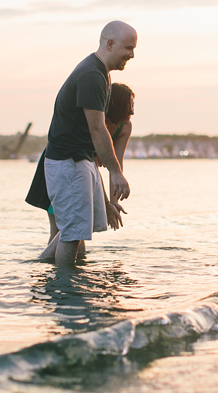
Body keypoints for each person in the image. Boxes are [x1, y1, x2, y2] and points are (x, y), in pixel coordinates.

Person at [40, 21, 136, 266]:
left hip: (79, 160)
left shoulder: (101, 74)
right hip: (68, 162)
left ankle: (44, 273)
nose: (132, 55)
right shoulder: (92, 75)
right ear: (110, 43)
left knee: (78, 232)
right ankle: (66, 295)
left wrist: (108, 198)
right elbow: (97, 129)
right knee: (73, 234)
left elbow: (96, 134)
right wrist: (115, 172)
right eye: (128, 48)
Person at [26, 83, 135, 243]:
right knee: (61, 231)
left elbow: (116, 167)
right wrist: (105, 202)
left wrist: (113, 202)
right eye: (129, 105)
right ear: (117, 104)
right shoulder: (96, 122)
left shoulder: (124, 127)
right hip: (60, 164)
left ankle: (70, 267)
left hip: (83, 173)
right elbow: (92, 166)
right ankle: (50, 267)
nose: (132, 111)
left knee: (79, 233)